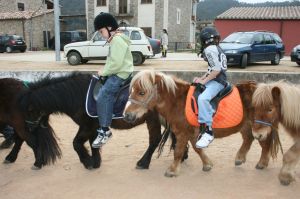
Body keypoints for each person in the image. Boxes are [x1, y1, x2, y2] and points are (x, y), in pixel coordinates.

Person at [92, 12, 134, 148]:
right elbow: (112, 62)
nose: (101, 34)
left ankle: (104, 130)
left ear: (109, 28)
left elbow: (116, 64)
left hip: (120, 75)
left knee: (104, 95)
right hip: (118, 71)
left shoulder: (116, 40)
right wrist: (104, 71)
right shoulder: (115, 40)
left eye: (101, 31)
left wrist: (104, 72)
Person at [194, 26, 227, 148]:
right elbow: (211, 69)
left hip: (218, 81)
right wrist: (201, 79)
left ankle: (208, 131)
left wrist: (204, 81)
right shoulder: (216, 48)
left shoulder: (210, 50)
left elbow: (216, 70)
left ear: (205, 39)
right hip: (216, 78)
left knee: (202, 99)